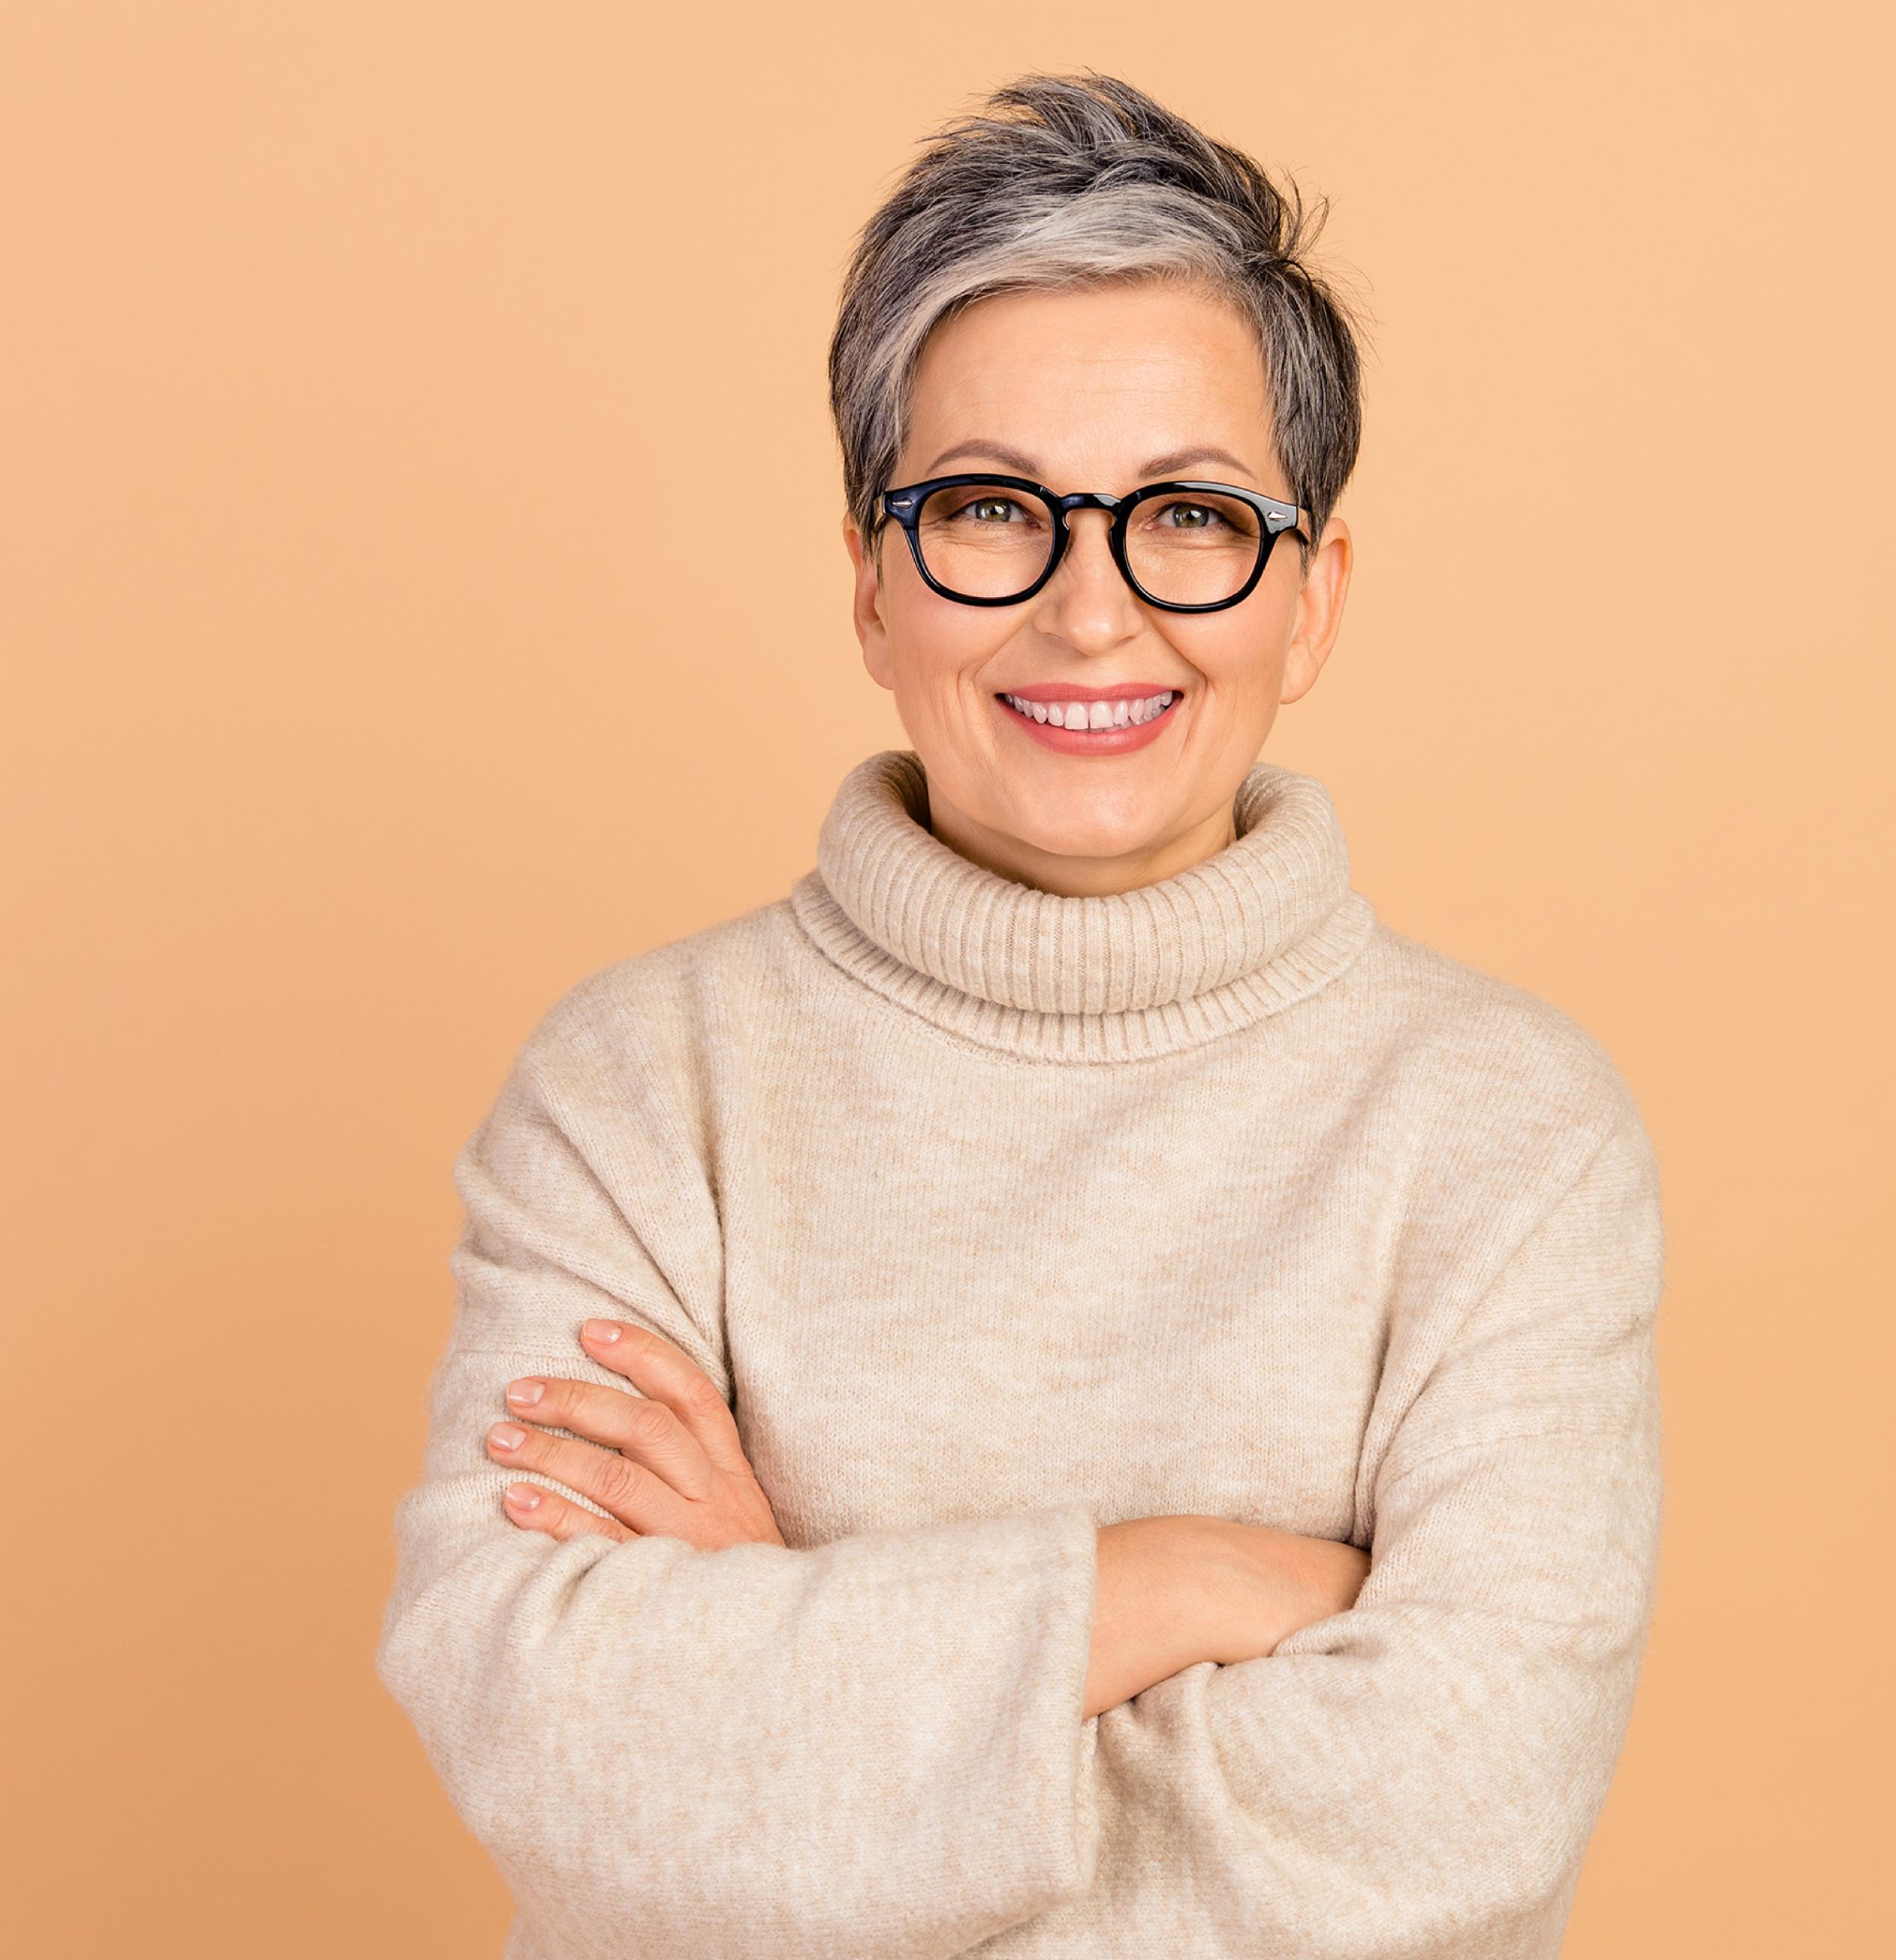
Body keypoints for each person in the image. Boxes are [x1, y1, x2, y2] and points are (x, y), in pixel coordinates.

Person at [378, 74, 1660, 1958]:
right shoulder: (636, 1085)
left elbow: (1448, 1821)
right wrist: (1166, 1587)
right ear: (869, 582)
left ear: (1307, 604)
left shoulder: (1502, 1128)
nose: (1086, 612)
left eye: (1191, 518)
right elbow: (550, 1745)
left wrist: (800, 1645)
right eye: (989, 510)